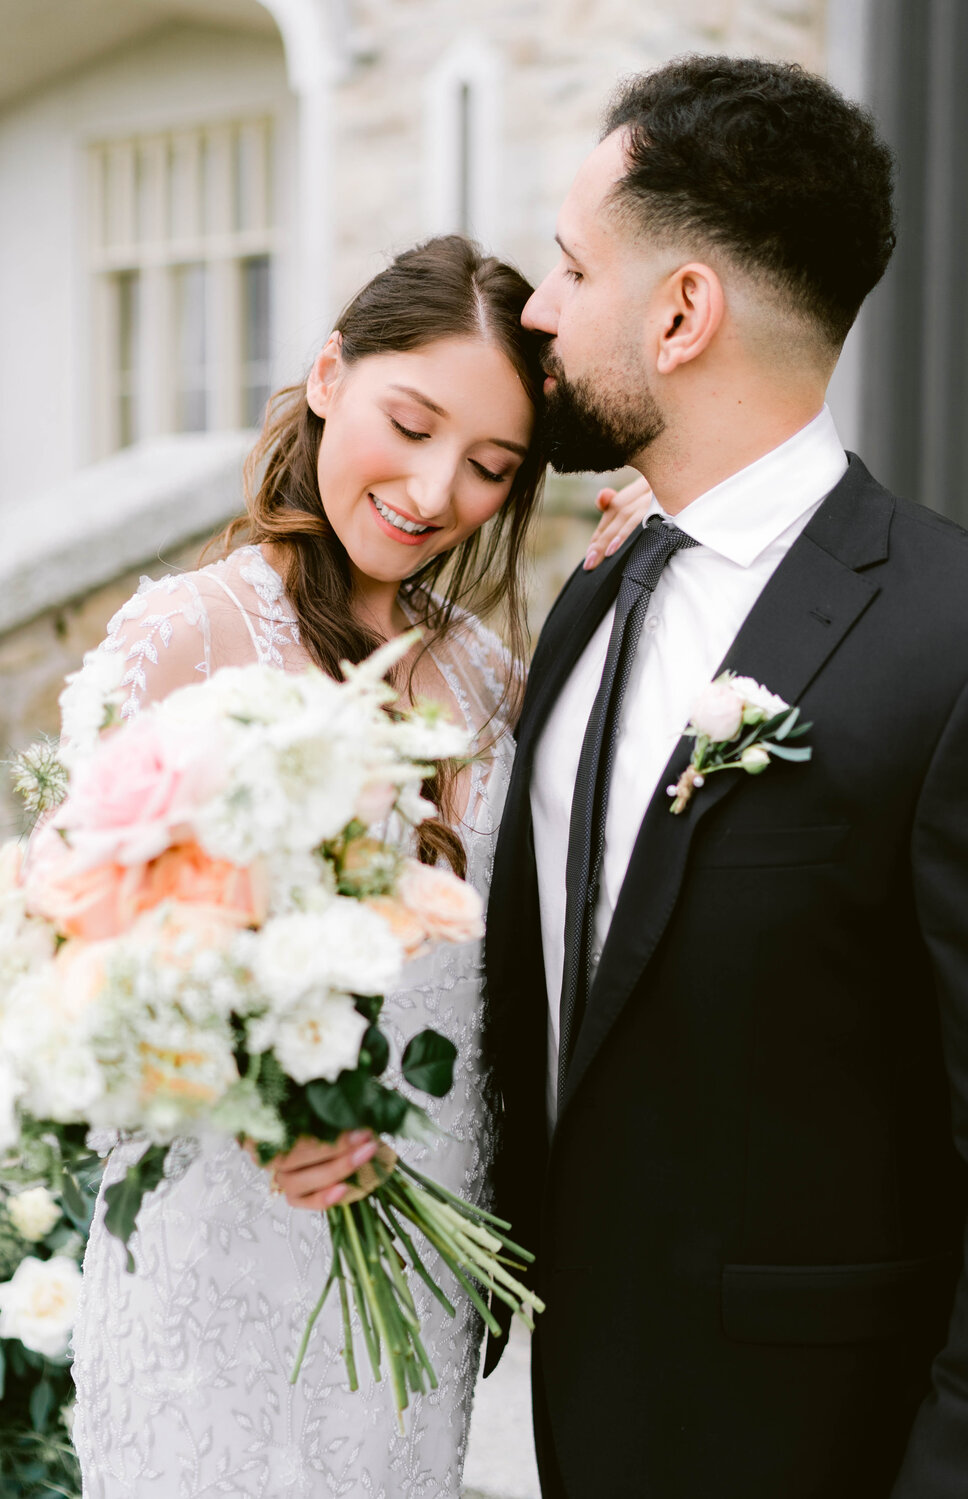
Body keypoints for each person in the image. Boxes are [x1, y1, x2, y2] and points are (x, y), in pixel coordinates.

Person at [69, 234, 648, 1498]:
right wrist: (242, 1102)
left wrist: (652, 556)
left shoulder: (494, 685)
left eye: (490, 466)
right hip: (219, 1261)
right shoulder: (186, 638)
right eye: (411, 422)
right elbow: (71, 974)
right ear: (330, 372)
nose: (436, 489)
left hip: (418, 1268)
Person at [484, 55, 968, 1499]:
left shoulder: (947, 638)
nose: (537, 310)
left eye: (574, 268)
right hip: (540, 1418)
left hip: (805, 1443)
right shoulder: (596, 586)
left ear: (683, 312)